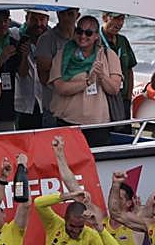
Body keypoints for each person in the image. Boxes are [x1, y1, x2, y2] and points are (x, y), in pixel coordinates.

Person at [47, 13, 123, 146]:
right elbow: (61, 88)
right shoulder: (63, 55)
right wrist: (88, 81)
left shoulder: (108, 55)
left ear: (96, 36)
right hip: (68, 123)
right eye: (79, 31)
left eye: (88, 33)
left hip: (98, 126)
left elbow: (114, 89)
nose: (83, 36)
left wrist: (101, 76)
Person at [34, 7, 78, 126]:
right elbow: (43, 76)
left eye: (70, 14)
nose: (66, 18)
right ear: (57, 14)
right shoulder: (46, 39)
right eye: (63, 14)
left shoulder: (84, 37)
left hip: (80, 108)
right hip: (54, 108)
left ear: (77, 15)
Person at [14, 9, 50, 130]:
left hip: (47, 103)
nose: (38, 23)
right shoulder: (17, 37)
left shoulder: (52, 41)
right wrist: (24, 55)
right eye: (34, 19)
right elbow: (22, 73)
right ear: (26, 19)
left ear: (47, 20)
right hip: (25, 103)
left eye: (42, 19)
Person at [101, 12, 137, 122]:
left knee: (124, 132)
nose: (120, 23)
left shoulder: (123, 41)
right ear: (104, 17)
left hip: (123, 98)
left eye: (122, 19)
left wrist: (128, 98)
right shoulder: (94, 39)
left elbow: (129, 69)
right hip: (103, 100)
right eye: (116, 18)